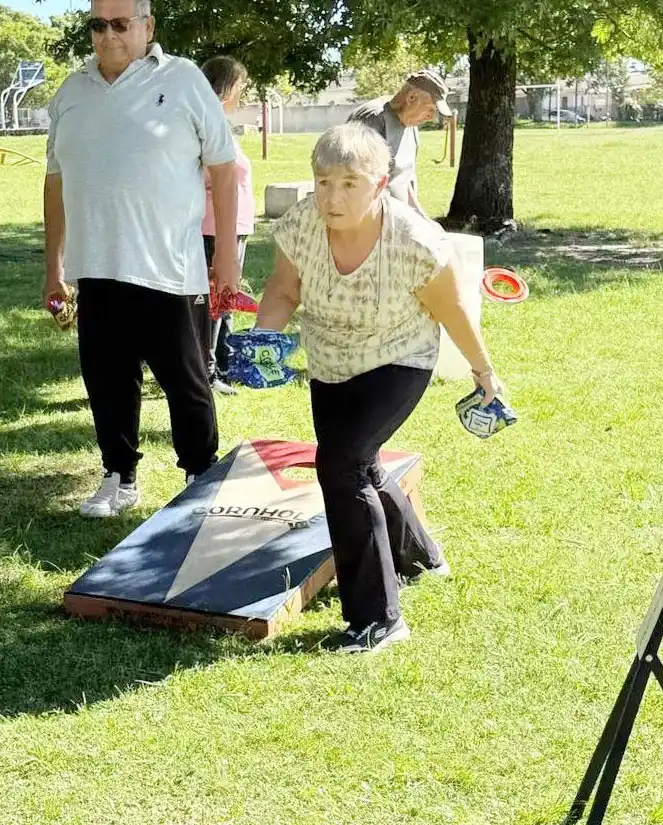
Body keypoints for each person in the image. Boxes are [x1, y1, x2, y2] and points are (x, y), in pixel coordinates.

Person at [254, 122, 506, 654]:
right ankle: (421, 557)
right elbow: (283, 290)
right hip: (329, 361)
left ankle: (377, 619)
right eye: (324, 182)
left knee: (341, 465)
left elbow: (452, 311)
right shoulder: (300, 224)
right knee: (360, 464)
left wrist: (484, 373)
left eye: (349, 183)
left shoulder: (415, 242)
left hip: (399, 359)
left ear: (380, 183)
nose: (333, 197)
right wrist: (261, 341)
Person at [43, 0, 242, 518]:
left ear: (147, 26)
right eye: (97, 25)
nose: (107, 34)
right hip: (95, 267)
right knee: (107, 381)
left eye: (120, 24)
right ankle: (119, 477)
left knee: (186, 381)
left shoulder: (184, 79)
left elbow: (224, 169)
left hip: (170, 268)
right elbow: (55, 181)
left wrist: (225, 255)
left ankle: (200, 476)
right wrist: (54, 269)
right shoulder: (71, 92)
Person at [200, 56, 255, 396]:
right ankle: (206, 373)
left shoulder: (218, 121)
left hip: (234, 226)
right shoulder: (208, 123)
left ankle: (224, 364)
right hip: (214, 227)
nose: (242, 94)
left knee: (227, 298)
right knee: (214, 301)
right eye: (241, 87)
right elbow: (208, 174)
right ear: (228, 87)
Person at [347, 69, 452, 221]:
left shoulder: (411, 125)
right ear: (411, 97)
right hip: (373, 221)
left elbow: (405, 180)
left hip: (398, 219)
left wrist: (423, 221)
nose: (431, 117)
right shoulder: (372, 119)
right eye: (430, 109)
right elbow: (355, 183)